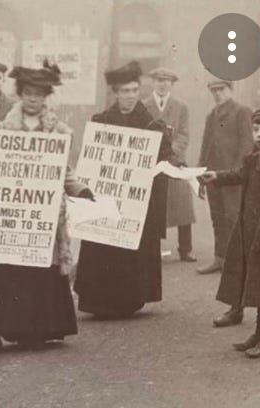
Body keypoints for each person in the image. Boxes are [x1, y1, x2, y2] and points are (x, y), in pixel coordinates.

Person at [0, 60, 93, 352]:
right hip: (10, 215)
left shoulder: (59, 133)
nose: (33, 99)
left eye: (39, 94)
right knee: (5, 271)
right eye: (28, 93)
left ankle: (34, 330)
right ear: (20, 94)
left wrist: (79, 189)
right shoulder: (2, 129)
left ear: (46, 98)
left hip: (43, 217)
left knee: (37, 273)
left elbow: (64, 171)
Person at [74, 60, 173, 319]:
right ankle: (100, 300)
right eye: (124, 91)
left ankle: (130, 298)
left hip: (136, 200)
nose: (130, 96)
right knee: (104, 246)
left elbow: (164, 157)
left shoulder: (151, 125)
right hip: (108, 195)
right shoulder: (102, 121)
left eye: (133, 90)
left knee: (132, 249)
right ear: (115, 94)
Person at [198, 101, 260, 358]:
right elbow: (239, 174)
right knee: (255, 283)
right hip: (250, 229)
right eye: (255, 128)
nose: (258, 134)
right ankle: (258, 334)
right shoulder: (255, 158)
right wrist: (217, 177)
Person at [197, 79, 254, 328]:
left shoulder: (242, 112)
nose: (218, 94)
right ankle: (220, 258)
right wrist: (200, 173)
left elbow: (246, 145)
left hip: (233, 177)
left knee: (232, 220)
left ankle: (230, 259)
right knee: (217, 218)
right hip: (213, 175)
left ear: (231, 90)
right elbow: (206, 144)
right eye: (214, 91)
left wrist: (238, 172)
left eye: (221, 89)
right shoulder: (212, 115)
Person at [142, 67, 196, 262]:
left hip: (175, 159)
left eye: (167, 81)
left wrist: (171, 151)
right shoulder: (143, 105)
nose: (163, 84)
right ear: (152, 83)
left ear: (172, 84)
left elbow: (184, 134)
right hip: (152, 161)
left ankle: (185, 249)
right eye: (159, 80)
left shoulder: (181, 107)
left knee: (182, 204)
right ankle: (152, 248)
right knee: (154, 206)